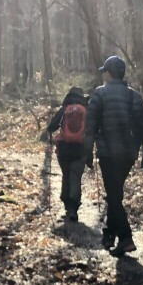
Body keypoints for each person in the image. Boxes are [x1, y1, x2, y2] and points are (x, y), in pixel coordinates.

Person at [84, 55, 143, 256]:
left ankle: (125, 238)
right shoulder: (136, 97)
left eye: (104, 72)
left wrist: (87, 152)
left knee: (114, 195)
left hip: (107, 154)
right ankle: (109, 234)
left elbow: (90, 127)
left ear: (108, 73)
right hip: (129, 154)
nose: (102, 76)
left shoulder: (100, 93)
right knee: (115, 193)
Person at [45, 86, 90, 222]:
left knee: (66, 176)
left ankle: (66, 203)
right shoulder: (86, 110)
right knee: (75, 177)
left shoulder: (64, 109)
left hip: (64, 149)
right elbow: (92, 129)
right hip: (80, 149)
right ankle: (73, 208)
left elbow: (51, 127)